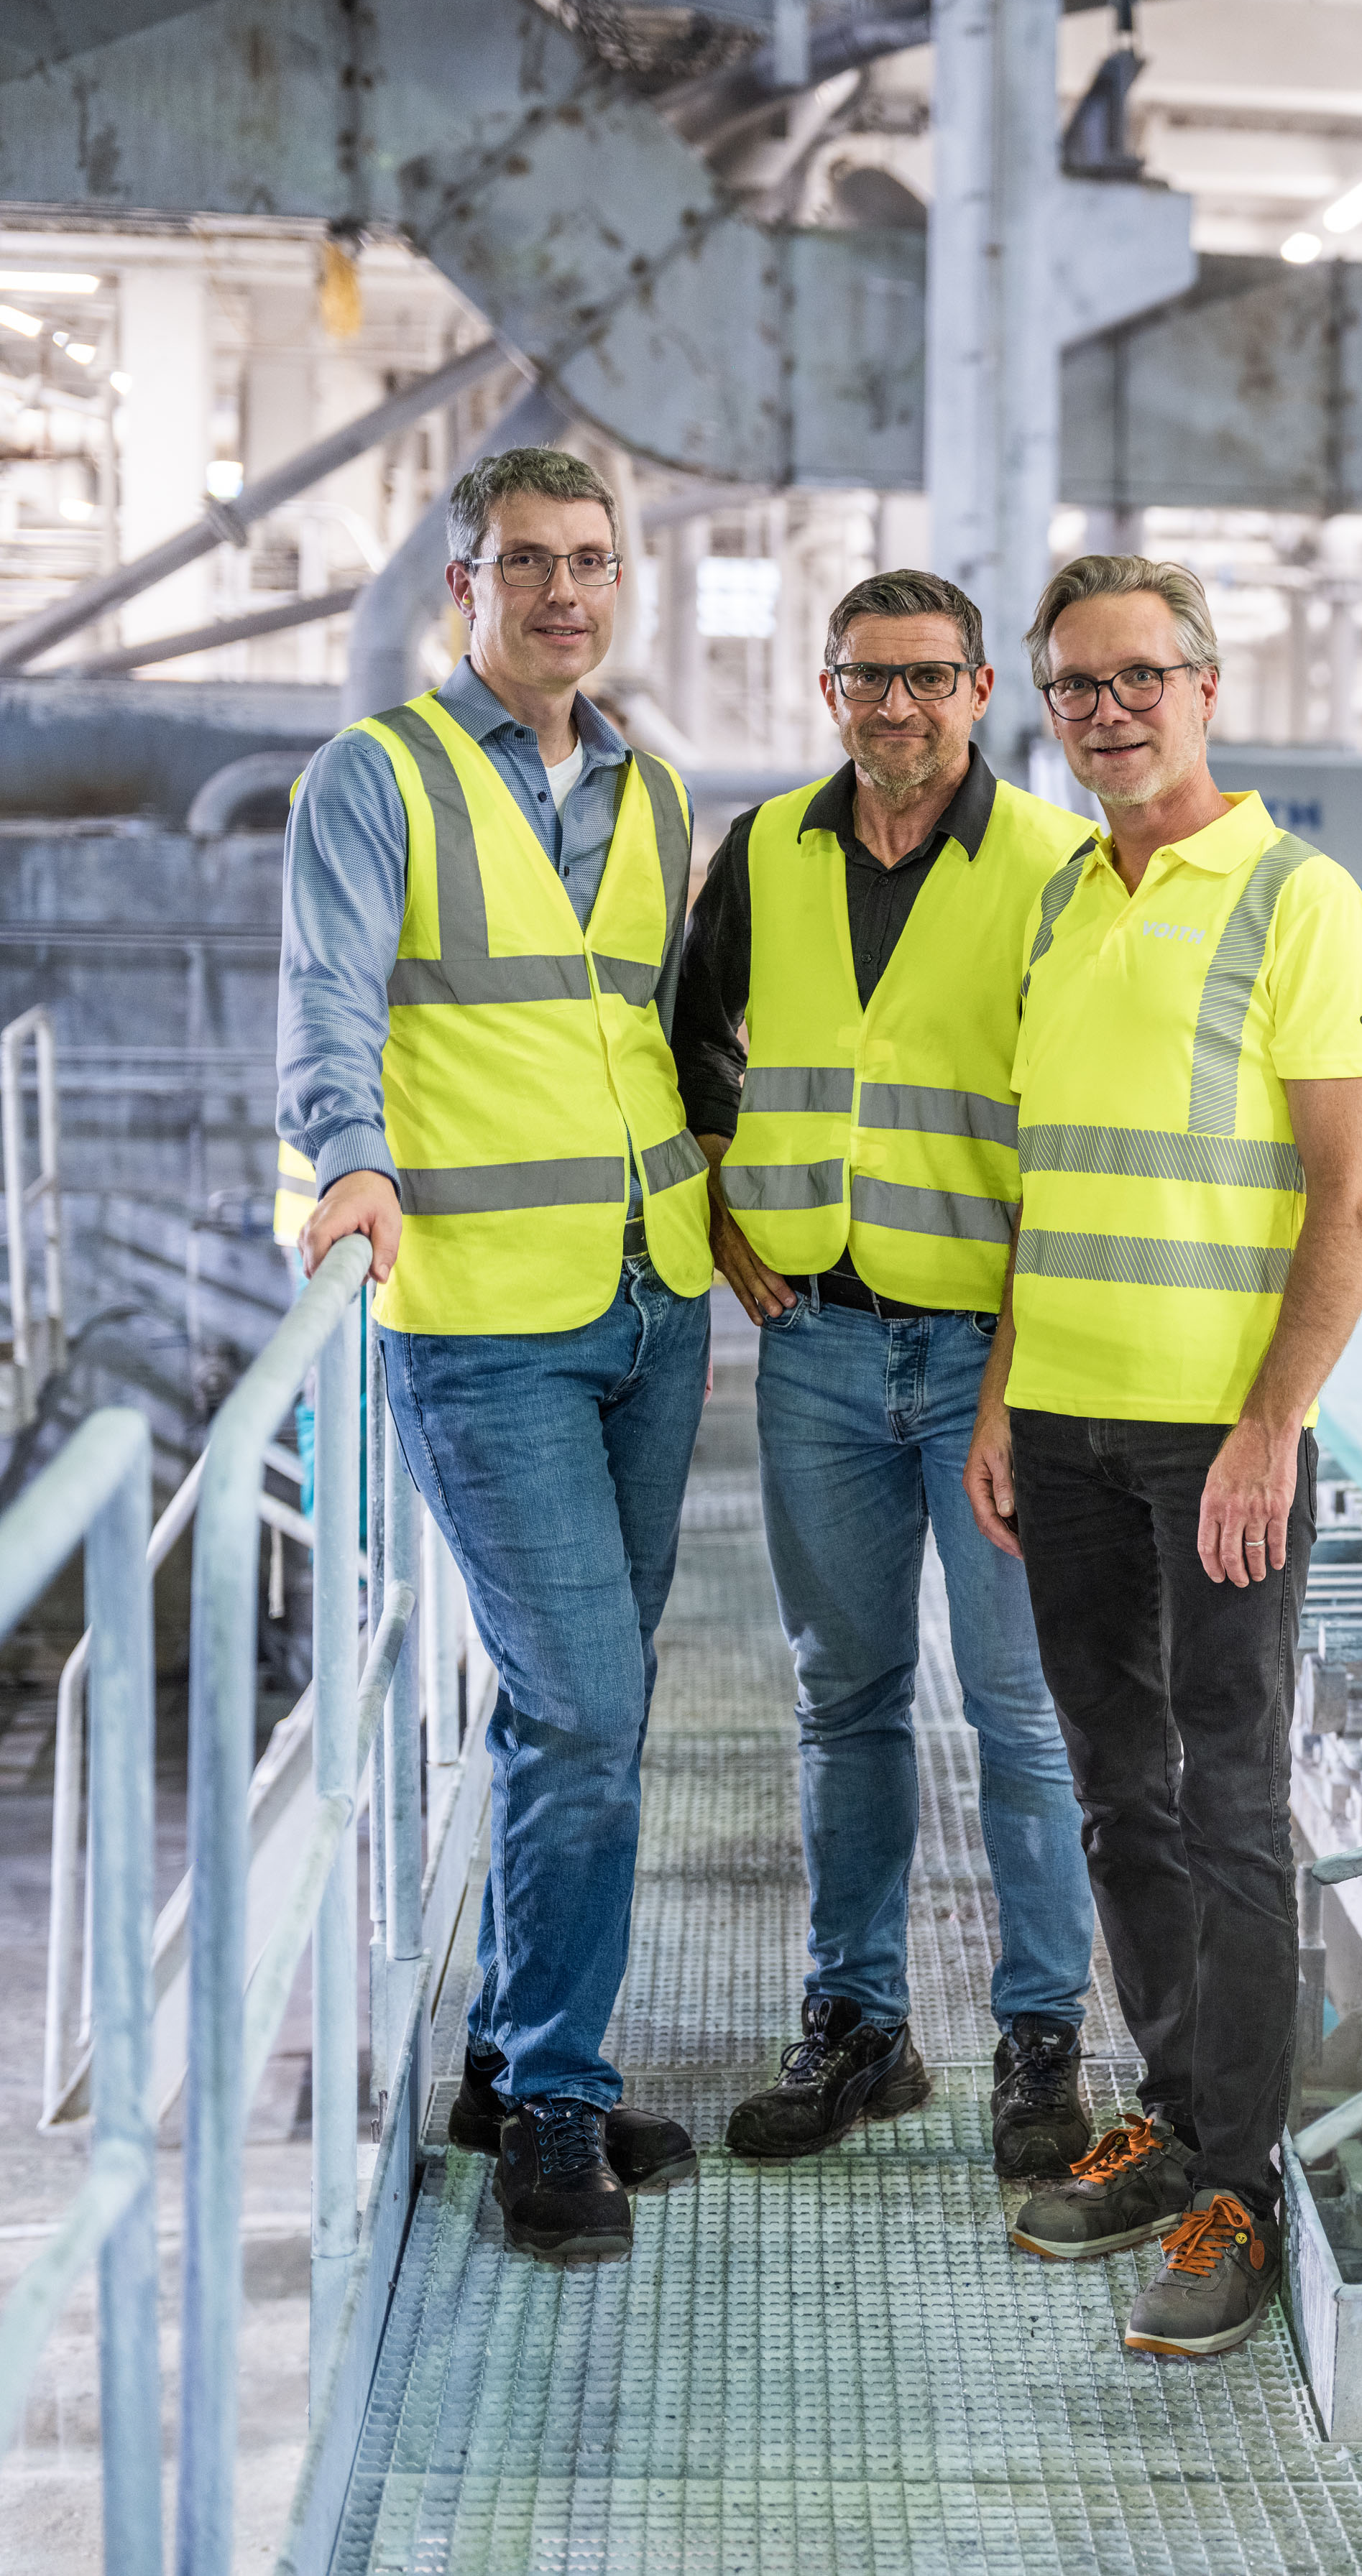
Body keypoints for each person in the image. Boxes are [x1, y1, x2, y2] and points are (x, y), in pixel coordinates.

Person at [275, 444, 709, 2264]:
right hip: (483, 1321)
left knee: (576, 1708)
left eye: (593, 563)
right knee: (592, 1706)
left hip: (650, 1294)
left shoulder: (658, 791)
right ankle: (552, 2107)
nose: (563, 594)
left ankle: (505, 2052)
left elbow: (662, 1031)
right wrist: (348, 1154)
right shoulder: (375, 775)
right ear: (464, 585)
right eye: (526, 563)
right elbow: (332, 993)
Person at [960, 553, 1362, 2360]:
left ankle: (1235, 2185)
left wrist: (1268, 1430)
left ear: (1208, 687)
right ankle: (1170, 2116)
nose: (1107, 711)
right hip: (1061, 1426)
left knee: (1229, 1814)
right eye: (1074, 687)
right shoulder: (1062, 900)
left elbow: (1352, 1204)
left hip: (1214, 1446)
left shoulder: (1303, 904)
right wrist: (1002, 1393)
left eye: (1141, 677)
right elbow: (1045, 1190)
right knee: (1118, 1793)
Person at [671, 569, 1100, 2177]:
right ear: (828, 688)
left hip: (991, 1353)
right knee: (842, 1699)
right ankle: (859, 2026)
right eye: (868, 678)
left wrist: (1017, 1370)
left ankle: (1042, 2036)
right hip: (819, 1347)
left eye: (929, 679)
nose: (897, 708)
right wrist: (718, 1209)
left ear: (982, 692)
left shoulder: (1055, 871)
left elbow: (1070, 1126)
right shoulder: (769, 850)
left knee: (1017, 1711)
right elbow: (696, 1038)